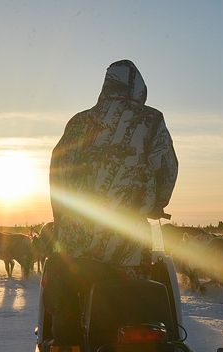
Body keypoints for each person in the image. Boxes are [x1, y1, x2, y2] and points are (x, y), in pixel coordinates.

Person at [49, 59, 178, 267]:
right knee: (135, 292)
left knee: (72, 291)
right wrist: (158, 203)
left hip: (74, 241)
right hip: (127, 239)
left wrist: (61, 218)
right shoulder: (151, 119)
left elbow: (57, 173)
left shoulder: (78, 122)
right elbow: (166, 168)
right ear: (137, 88)